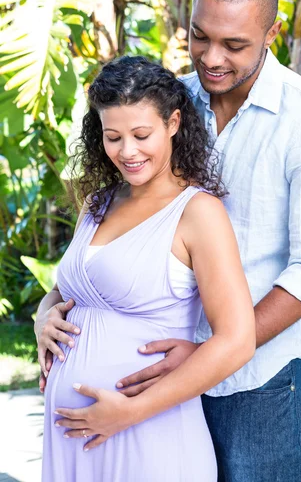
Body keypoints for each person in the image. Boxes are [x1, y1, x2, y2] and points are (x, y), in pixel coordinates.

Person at [37, 0, 301, 482]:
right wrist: (50, 312)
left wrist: (209, 350)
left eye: (234, 45)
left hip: (257, 381)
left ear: (272, 31)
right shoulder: (170, 100)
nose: (211, 58)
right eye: (200, 37)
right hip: (152, 386)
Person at [37, 56, 255, 482]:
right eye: (112, 136)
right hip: (74, 442)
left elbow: (237, 340)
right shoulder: (99, 203)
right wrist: (43, 316)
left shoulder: (198, 213)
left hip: (148, 433)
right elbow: (69, 292)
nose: (127, 152)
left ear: (173, 123)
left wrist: (129, 412)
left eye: (141, 135)